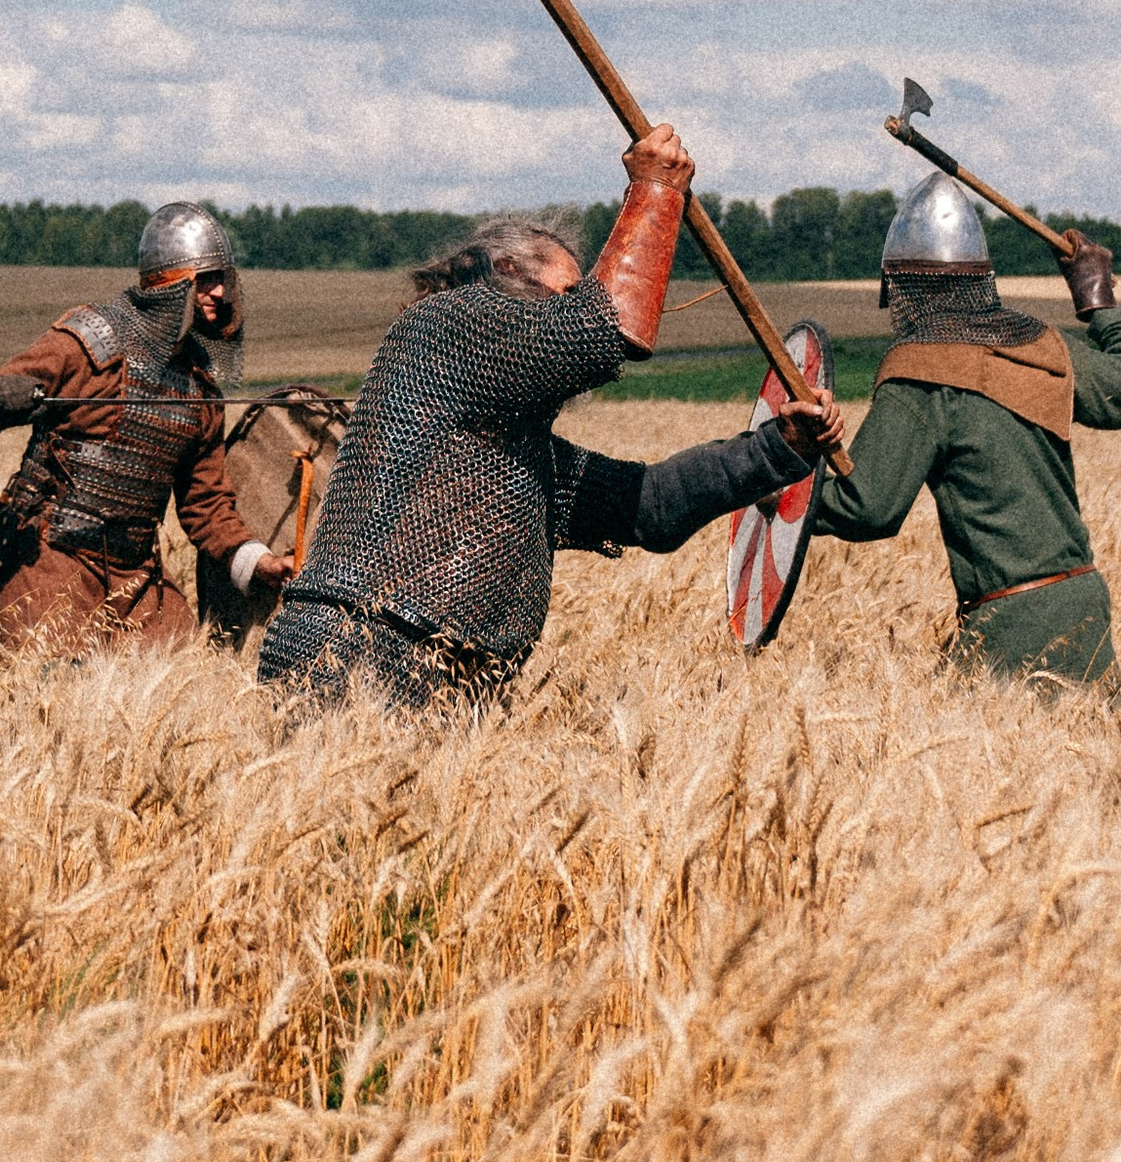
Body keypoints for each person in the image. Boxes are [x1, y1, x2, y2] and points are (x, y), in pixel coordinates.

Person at [258, 126, 840, 719]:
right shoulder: (450, 324)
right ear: (509, 270)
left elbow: (650, 505)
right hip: (354, 655)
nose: (572, 305)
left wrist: (779, 447)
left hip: (421, 674)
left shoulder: (512, 454)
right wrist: (655, 190)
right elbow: (604, 327)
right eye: (564, 293)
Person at [809, 173, 1121, 691]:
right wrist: (1097, 295)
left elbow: (868, 507)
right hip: (1083, 601)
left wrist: (780, 490)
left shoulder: (920, 372)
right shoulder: (1038, 345)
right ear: (981, 278)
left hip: (1009, 620)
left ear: (899, 287)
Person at [0, 201, 286, 655]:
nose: (220, 292)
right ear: (170, 282)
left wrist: (258, 561)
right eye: (205, 279)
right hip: (51, 559)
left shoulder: (199, 388)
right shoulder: (88, 343)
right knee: (56, 682)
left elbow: (206, 506)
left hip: (137, 576)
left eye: (223, 278)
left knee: (186, 674)